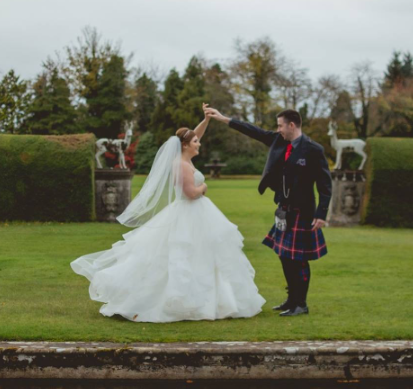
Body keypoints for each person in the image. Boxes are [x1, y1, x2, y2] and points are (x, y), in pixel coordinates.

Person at [70, 116, 265, 322]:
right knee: (184, 255)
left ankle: (213, 301)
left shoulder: (185, 159)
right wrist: (204, 187)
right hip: (190, 210)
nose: (199, 142)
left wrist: (206, 119)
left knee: (204, 256)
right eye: (195, 142)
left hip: (197, 212)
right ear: (185, 145)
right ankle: (180, 301)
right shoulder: (181, 165)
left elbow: (195, 134)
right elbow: (190, 192)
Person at [203, 105, 331, 316]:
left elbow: (325, 184)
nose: (278, 129)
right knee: (283, 254)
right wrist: (224, 118)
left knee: (298, 258)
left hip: (303, 211)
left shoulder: (313, 149)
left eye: (280, 126)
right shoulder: (278, 140)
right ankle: (291, 300)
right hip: (283, 209)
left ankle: (301, 304)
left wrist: (321, 214)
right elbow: (254, 131)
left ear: (292, 125)